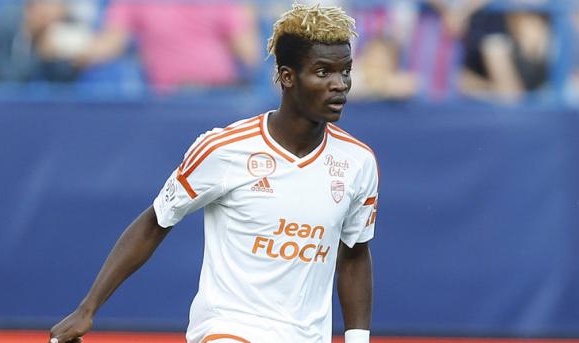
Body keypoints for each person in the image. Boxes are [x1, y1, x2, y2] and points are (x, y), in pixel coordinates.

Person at [48, 3, 378, 343]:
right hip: (228, 330)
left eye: (345, 72)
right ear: (287, 77)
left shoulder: (358, 161)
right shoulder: (224, 149)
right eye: (323, 72)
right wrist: (88, 309)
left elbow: (354, 253)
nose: (340, 84)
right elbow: (156, 221)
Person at [73, 0, 261, 94]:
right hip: (170, 99)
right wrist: (71, 52)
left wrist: (247, 15)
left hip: (221, 95)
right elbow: (110, 43)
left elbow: (249, 54)